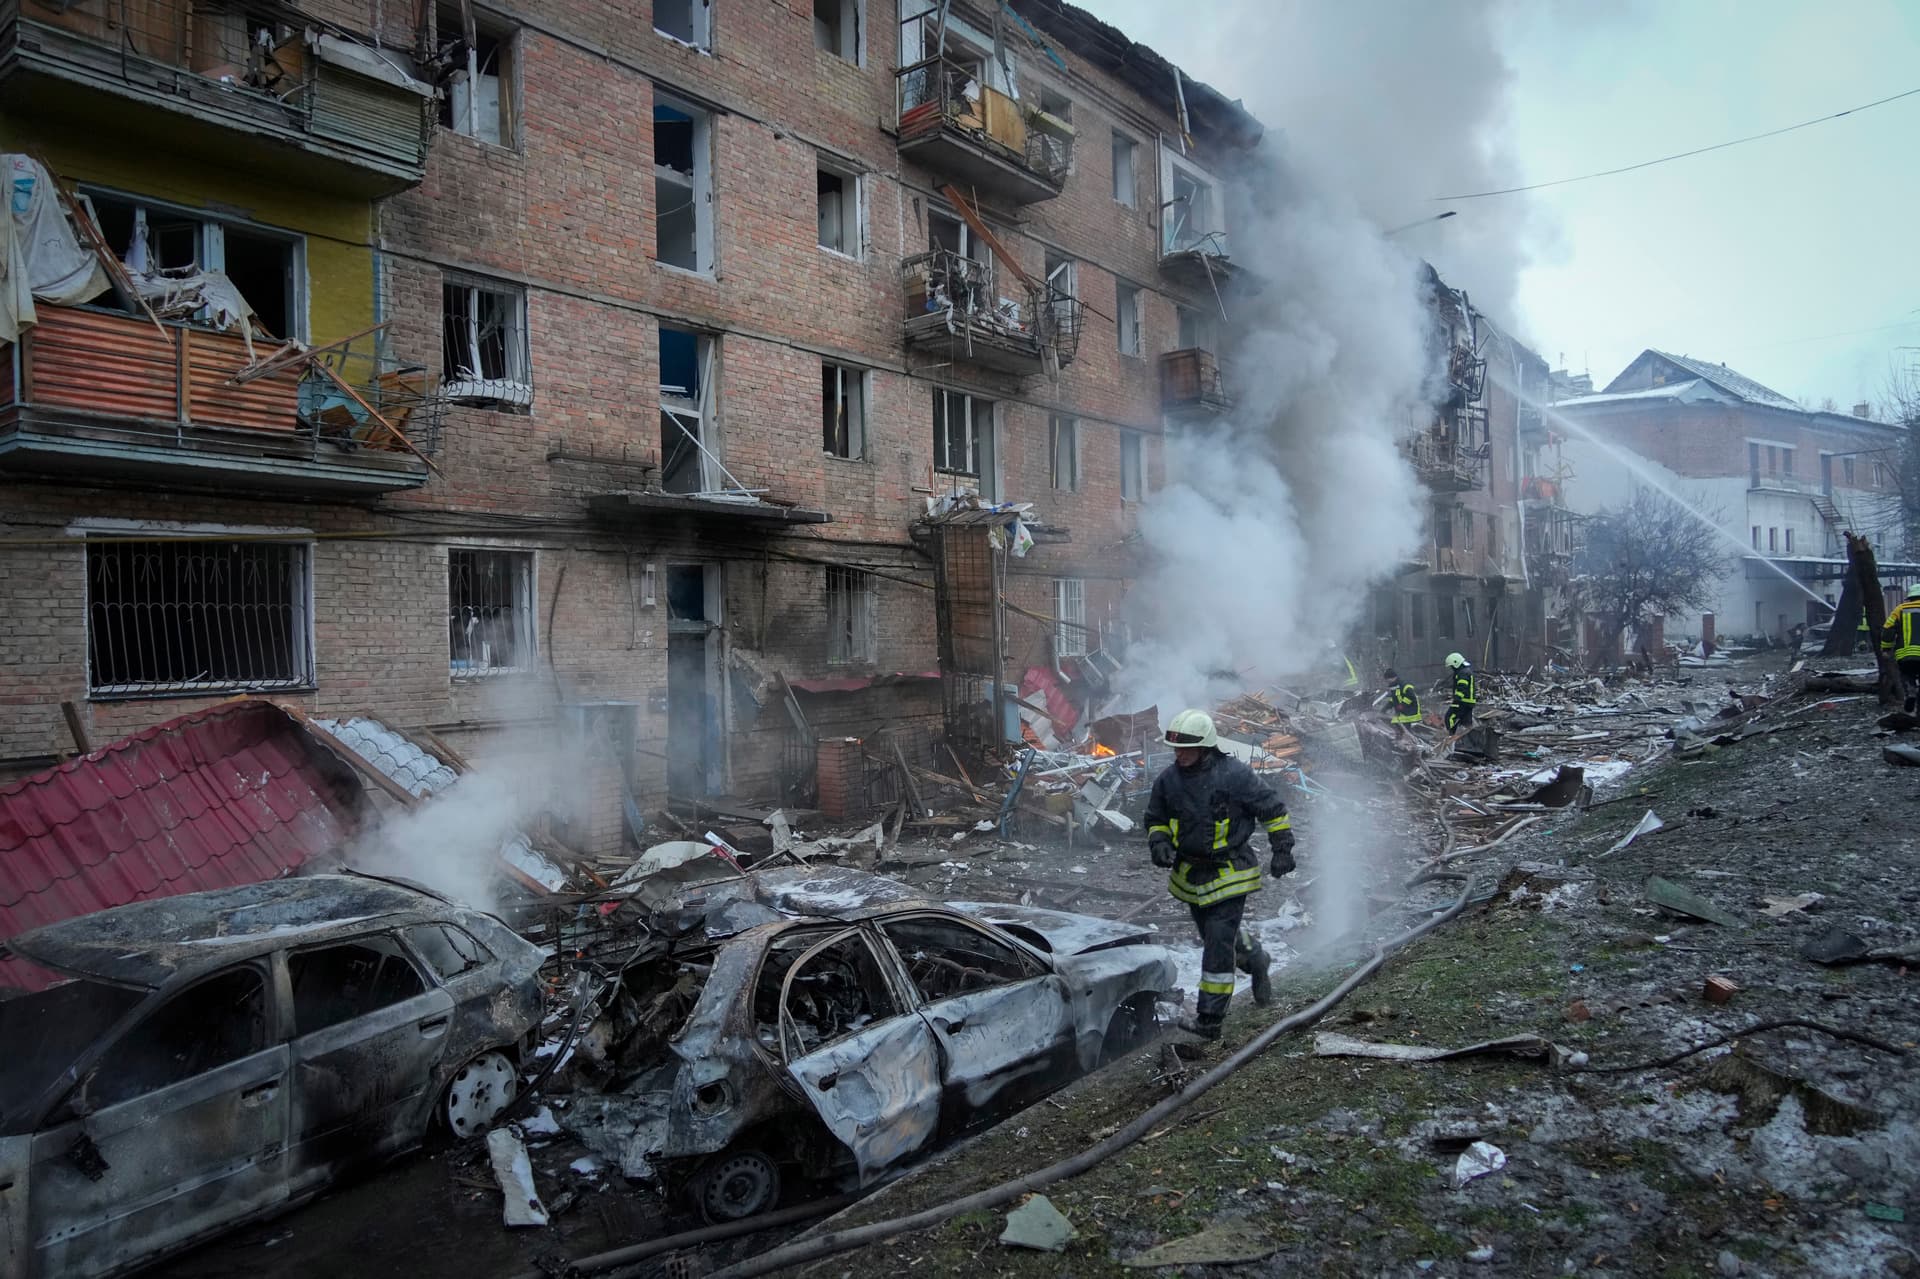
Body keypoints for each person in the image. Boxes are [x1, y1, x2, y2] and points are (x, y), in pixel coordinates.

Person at [1144, 709, 1293, 1041]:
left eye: (1186, 749)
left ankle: (1210, 1020)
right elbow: (1155, 817)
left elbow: (1273, 809)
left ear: (1206, 747)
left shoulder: (1236, 776)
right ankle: (1256, 960)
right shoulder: (1168, 780)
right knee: (1220, 939)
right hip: (1191, 875)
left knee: (1215, 945)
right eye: (1176, 750)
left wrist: (1282, 848)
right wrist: (1160, 843)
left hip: (1230, 872)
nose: (1179, 755)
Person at [1881, 584, 1920, 713]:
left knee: (1907, 674)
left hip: (1905, 654)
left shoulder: (1900, 609)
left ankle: (1911, 691)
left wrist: (1886, 649)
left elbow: (1888, 629)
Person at [1444, 651, 1478, 734]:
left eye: (1452, 666)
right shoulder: (1466, 671)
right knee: (1465, 723)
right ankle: (1467, 739)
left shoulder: (1462, 673)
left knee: (1449, 717)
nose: (1451, 668)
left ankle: (1451, 736)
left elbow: (1462, 687)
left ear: (1456, 663)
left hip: (1463, 701)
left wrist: (1456, 700)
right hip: (1469, 702)